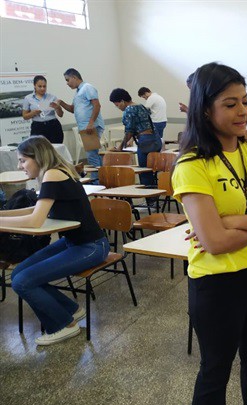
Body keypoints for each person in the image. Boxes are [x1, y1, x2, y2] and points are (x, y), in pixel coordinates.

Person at [172, 62, 247, 405]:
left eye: (245, 101)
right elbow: (215, 243)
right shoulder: (192, 165)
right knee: (215, 374)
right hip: (217, 284)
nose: (243, 111)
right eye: (230, 104)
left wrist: (233, 221)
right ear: (204, 110)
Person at [2, 136, 110, 346]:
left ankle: (64, 325)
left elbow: (35, 221)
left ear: (38, 157)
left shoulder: (53, 174)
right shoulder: (53, 172)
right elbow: (34, 210)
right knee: (17, 274)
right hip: (75, 243)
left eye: (23, 160)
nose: (19, 166)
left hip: (91, 247)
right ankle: (71, 310)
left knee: (22, 281)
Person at [56, 68, 104, 183]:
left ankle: (96, 182)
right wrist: (61, 103)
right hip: (85, 128)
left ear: (74, 77)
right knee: (94, 155)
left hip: (90, 127)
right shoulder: (78, 92)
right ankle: (102, 179)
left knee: (92, 156)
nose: (67, 83)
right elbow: (72, 109)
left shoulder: (87, 87)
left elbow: (97, 105)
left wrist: (91, 123)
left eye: (67, 80)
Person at [109, 88, 161, 188]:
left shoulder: (129, 109)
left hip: (145, 142)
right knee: (151, 170)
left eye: (117, 105)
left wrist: (120, 147)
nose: (118, 108)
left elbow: (129, 131)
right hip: (155, 139)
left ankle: (148, 194)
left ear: (122, 101)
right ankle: (154, 192)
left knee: (144, 172)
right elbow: (142, 125)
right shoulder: (140, 106)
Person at [22, 75, 64, 144]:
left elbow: (61, 115)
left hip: (53, 126)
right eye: (40, 86)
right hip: (38, 127)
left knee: (55, 147)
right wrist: (33, 113)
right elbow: (25, 116)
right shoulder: (28, 98)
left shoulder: (52, 97)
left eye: (44, 86)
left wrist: (57, 107)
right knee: (38, 148)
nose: (42, 88)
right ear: (34, 85)